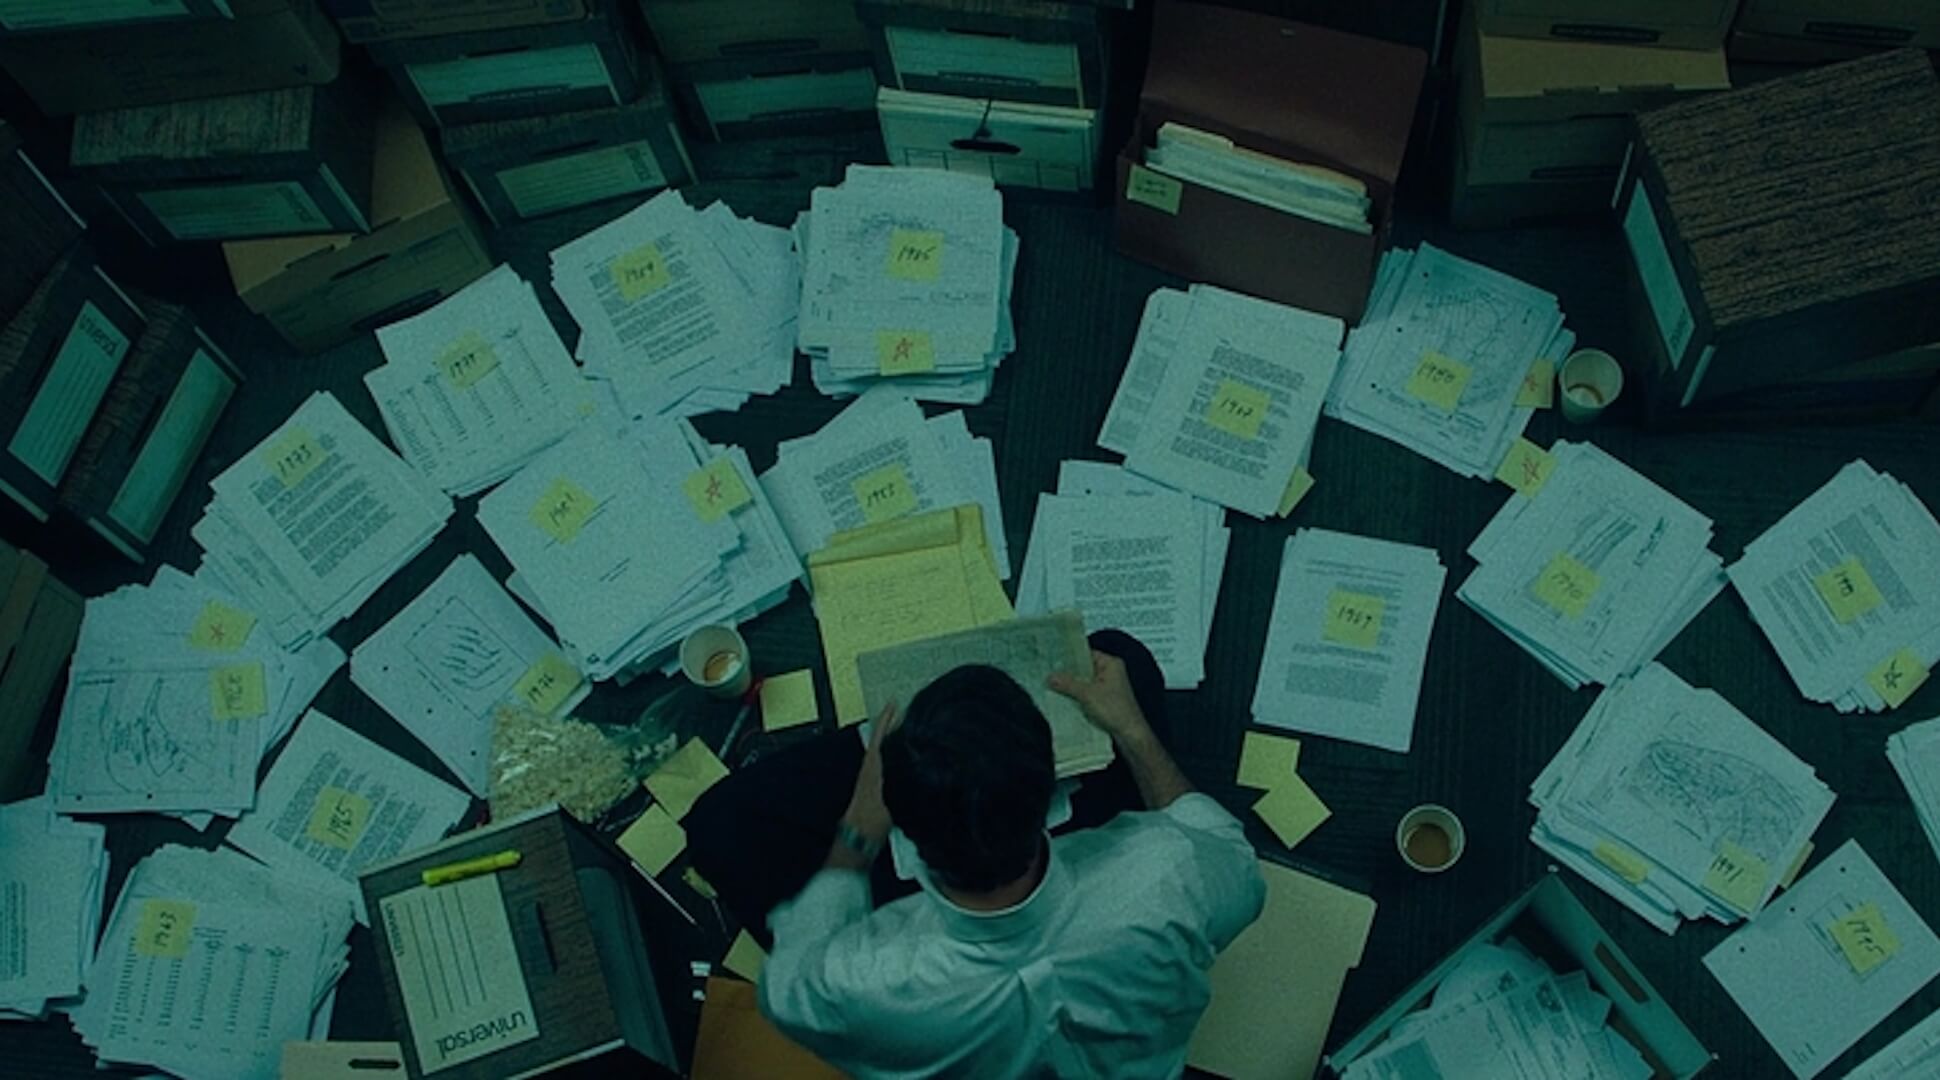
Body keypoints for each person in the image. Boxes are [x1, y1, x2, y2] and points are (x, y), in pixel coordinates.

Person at [684, 631, 1266, 1079]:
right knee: (1118, 656)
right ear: (1050, 790)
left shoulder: (866, 981)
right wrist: (1133, 732)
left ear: (904, 831)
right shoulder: (1167, 871)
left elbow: (789, 986)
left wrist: (858, 833)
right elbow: (1235, 864)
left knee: (718, 824)